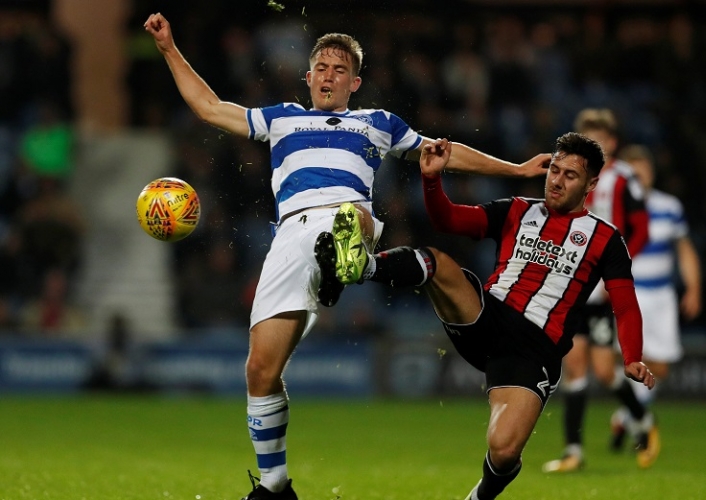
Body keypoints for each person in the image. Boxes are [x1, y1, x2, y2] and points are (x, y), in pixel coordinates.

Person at [143, 13, 550, 500]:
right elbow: (210, 108)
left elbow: (442, 153)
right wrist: (168, 47)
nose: (329, 75)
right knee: (260, 371)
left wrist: (516, 170)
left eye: (340, 70)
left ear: (354, 83)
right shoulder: (280, 118)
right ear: (308, 76)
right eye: (322, 67)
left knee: (348, 218)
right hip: (290, 238)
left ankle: (347, 256)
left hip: (348, 214)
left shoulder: (378, 123)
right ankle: (275, 485)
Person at [318, 133, 655, 500]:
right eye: (554, 170)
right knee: (438, 263)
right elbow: (448, 219)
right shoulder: (517, 210)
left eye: (569, 175)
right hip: (488, 316)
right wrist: (431, 180)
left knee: (504, 450)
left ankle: (478, 497)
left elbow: (625, 303)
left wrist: (632, 356)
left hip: (533, 350)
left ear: (591, 184)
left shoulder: (606, 239)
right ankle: (361, 266)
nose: (556, 181)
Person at [541, 108, 655, 473]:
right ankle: (573, 451)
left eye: (600, 140)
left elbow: (641, 228)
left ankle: (644, 421)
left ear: (613, 143)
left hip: (602, 287)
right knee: (575, 367)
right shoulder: (569, 175)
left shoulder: (622, 177)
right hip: (573, 283)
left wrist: (616, 268)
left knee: (605, 371)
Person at [609, 144, 701, 450]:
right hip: (627, 293)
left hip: (661, 296)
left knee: (660, 367)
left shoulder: (669, 206)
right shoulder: (614, 207)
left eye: (643, 169)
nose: (639, 176)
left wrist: (693, 288)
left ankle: (626, 416)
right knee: (616, 358)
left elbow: (684, 249)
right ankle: (635, 417)